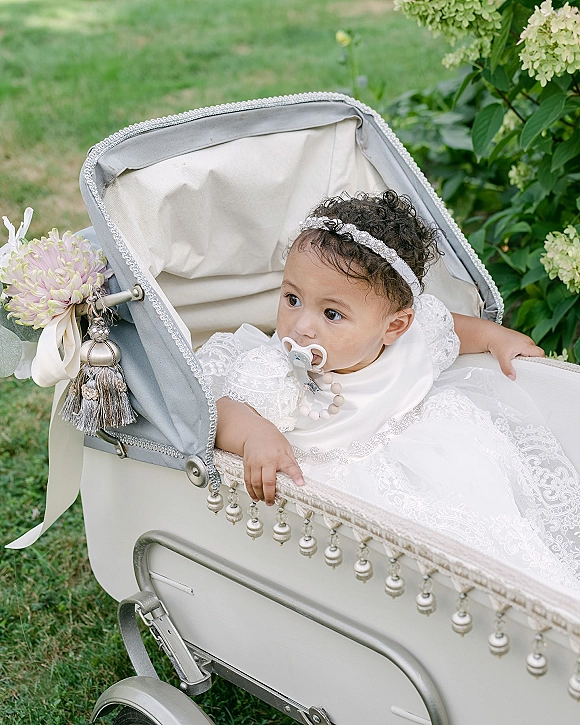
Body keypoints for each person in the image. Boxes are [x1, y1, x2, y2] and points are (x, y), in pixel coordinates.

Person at [198, 190, 580, 590]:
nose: (302, 326)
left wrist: (494, 337)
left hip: (434, 457)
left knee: (488, 529)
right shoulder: (276, 369)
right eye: (292, 299)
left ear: (394, 327)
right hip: (338, 486)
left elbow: (451, 326)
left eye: (331, 313)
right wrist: (256, 433)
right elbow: (226, 411)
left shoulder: (412, 338)